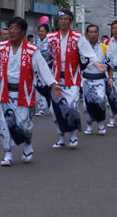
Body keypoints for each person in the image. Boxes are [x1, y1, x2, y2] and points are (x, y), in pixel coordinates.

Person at [0, 17, 61, 166]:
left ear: (23, 32)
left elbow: (42, 68)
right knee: (5, 123)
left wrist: (53, 84)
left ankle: (28, 146)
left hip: (24, 93)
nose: (11, 31)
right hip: (5, 92)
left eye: (15, 28)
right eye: (10, 28)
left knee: (24, 125)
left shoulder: (31, 49)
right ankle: (8, 154)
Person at [46, 9, 105, 149]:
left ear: (71, 21)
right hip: (55, 79)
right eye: (61, 19)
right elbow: (42, 55)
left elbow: (88, 53)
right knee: (55, 109)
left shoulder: (78, 37)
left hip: (72, 79)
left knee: (71, 107)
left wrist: (97, 64)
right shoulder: (51, 37)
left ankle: (72, 136)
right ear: (58, 21)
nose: (64, 21)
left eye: (66, 19)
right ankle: (61, 137)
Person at [82, 24, 109, 135]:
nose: (93, 34)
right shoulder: (82, 48)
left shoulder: (104, 48)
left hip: (100, 80)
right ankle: (89, 125)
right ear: (87, 34)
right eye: (90, 32)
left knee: (100, 101)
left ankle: (100, 124)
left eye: (95, 32)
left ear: (98, 33)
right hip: (86, 79)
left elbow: (110, 65)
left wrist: (111, 79)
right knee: (87, 103)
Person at [34, 23, 51, 116]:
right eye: (39, 31)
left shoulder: (50, 42)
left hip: (48, 68)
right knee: (39, 88)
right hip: (38, 69)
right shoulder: (36, 42)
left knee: (49, 87)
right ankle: (41, 108)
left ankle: (51, 104)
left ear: (46, 32)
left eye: (42, 31)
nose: (41, 33)